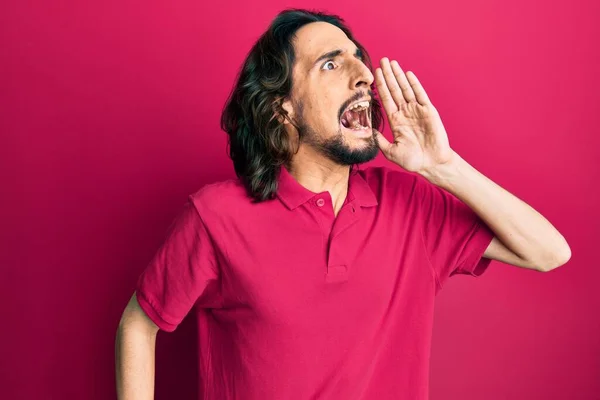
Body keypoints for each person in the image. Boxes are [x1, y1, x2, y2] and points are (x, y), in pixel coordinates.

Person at [115, 8, 571, 400]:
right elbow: (140, 321)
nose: (364, 75)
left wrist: (442, 166)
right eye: (331, 65)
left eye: (359, 58)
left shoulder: (411, 204)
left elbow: (548, 252)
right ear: (282, 109)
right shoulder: (216, 217)